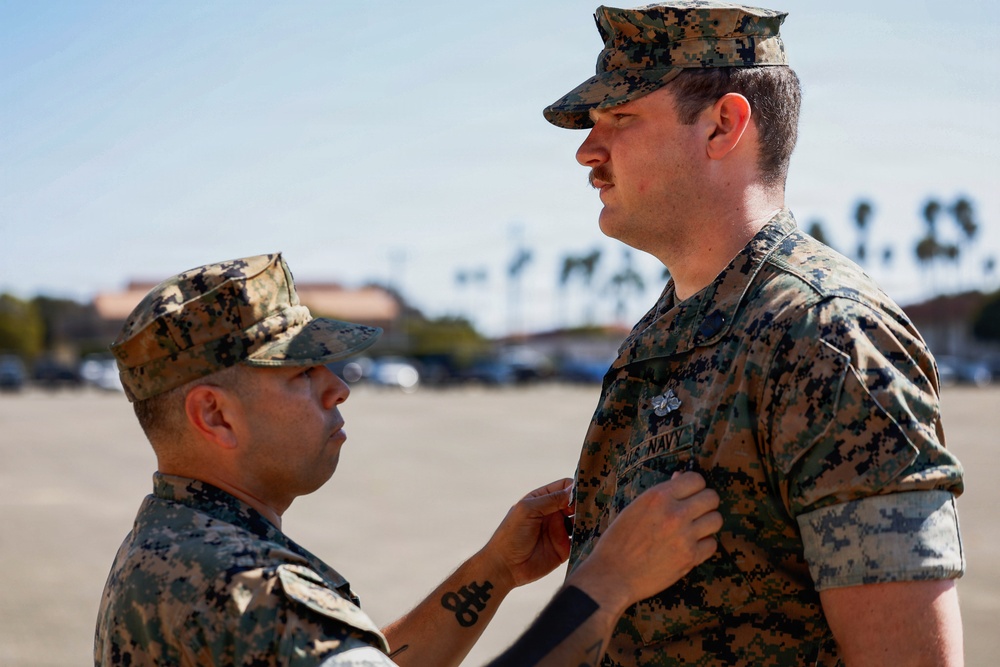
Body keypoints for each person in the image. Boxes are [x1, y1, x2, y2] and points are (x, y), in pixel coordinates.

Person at [542, 2, 965, 665]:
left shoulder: (828, 337)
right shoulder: (662, 331)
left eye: (620, 119)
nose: (587, 152)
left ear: (722, 125)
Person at [94, 252, 724, 667]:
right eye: (298, 373)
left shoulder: (171, 543)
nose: (337, 386)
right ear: (215, 415)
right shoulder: (249, 589)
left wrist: (492, 572)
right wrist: (606, 586)